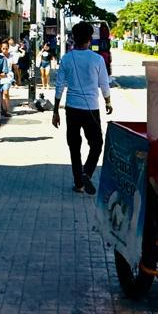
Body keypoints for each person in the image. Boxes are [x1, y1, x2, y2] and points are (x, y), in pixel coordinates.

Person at [52, 22, 113, 194]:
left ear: (73, 38)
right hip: (91, 108)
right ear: (90, 38)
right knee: (97, 143)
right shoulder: (97, 59)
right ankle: (87, 172)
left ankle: (78, 183)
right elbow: (104, 84)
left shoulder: (67, 58)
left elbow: (59, 86)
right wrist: (108, 102)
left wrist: (55, 111)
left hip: (71, 107)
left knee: (74, 145)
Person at [0, 38, 14, 118]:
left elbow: (14, 66)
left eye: (6, 48)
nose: (5, 50)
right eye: (3, 48)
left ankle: (8, 109)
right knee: (0, 93)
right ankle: (3, 109)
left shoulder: (11, 56)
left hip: (8, 76)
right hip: (0, 76)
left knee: (6, 92)